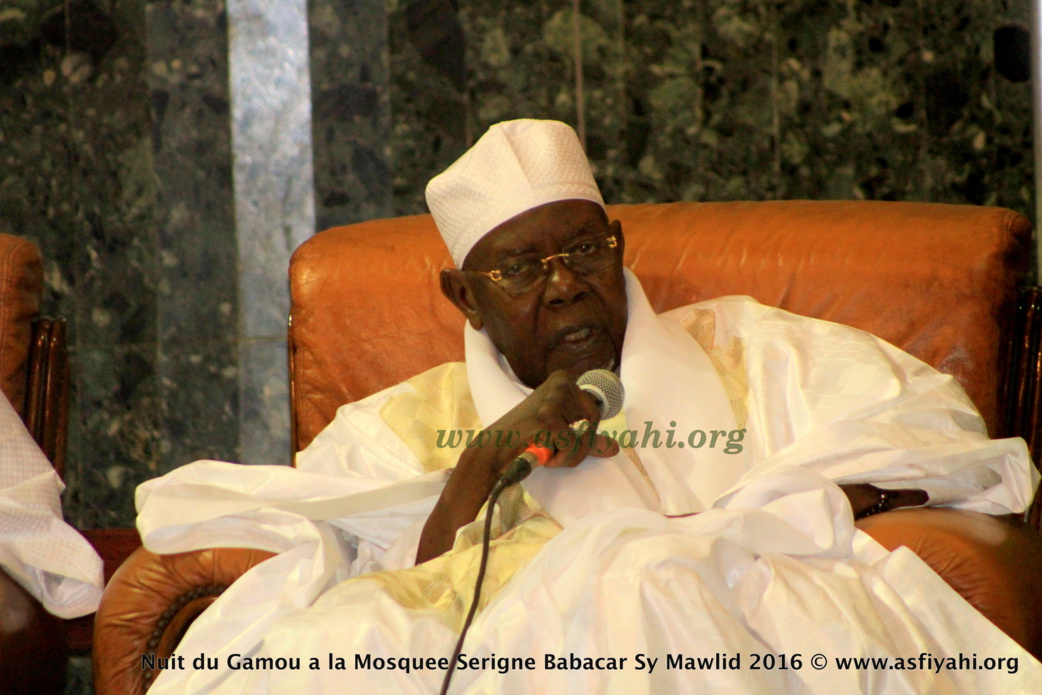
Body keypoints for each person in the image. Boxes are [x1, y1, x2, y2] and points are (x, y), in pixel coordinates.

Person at [139, 119, 1040, 694]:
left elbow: (931, 440)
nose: (565, 284)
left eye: (582, 249)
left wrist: (764, 517)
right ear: (464, 297)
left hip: (692, 629)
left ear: (618, 245)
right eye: (520, 269)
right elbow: (387, 578)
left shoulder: (754, 352)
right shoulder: (401, 423)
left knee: (639, 579)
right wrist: (481, 462)